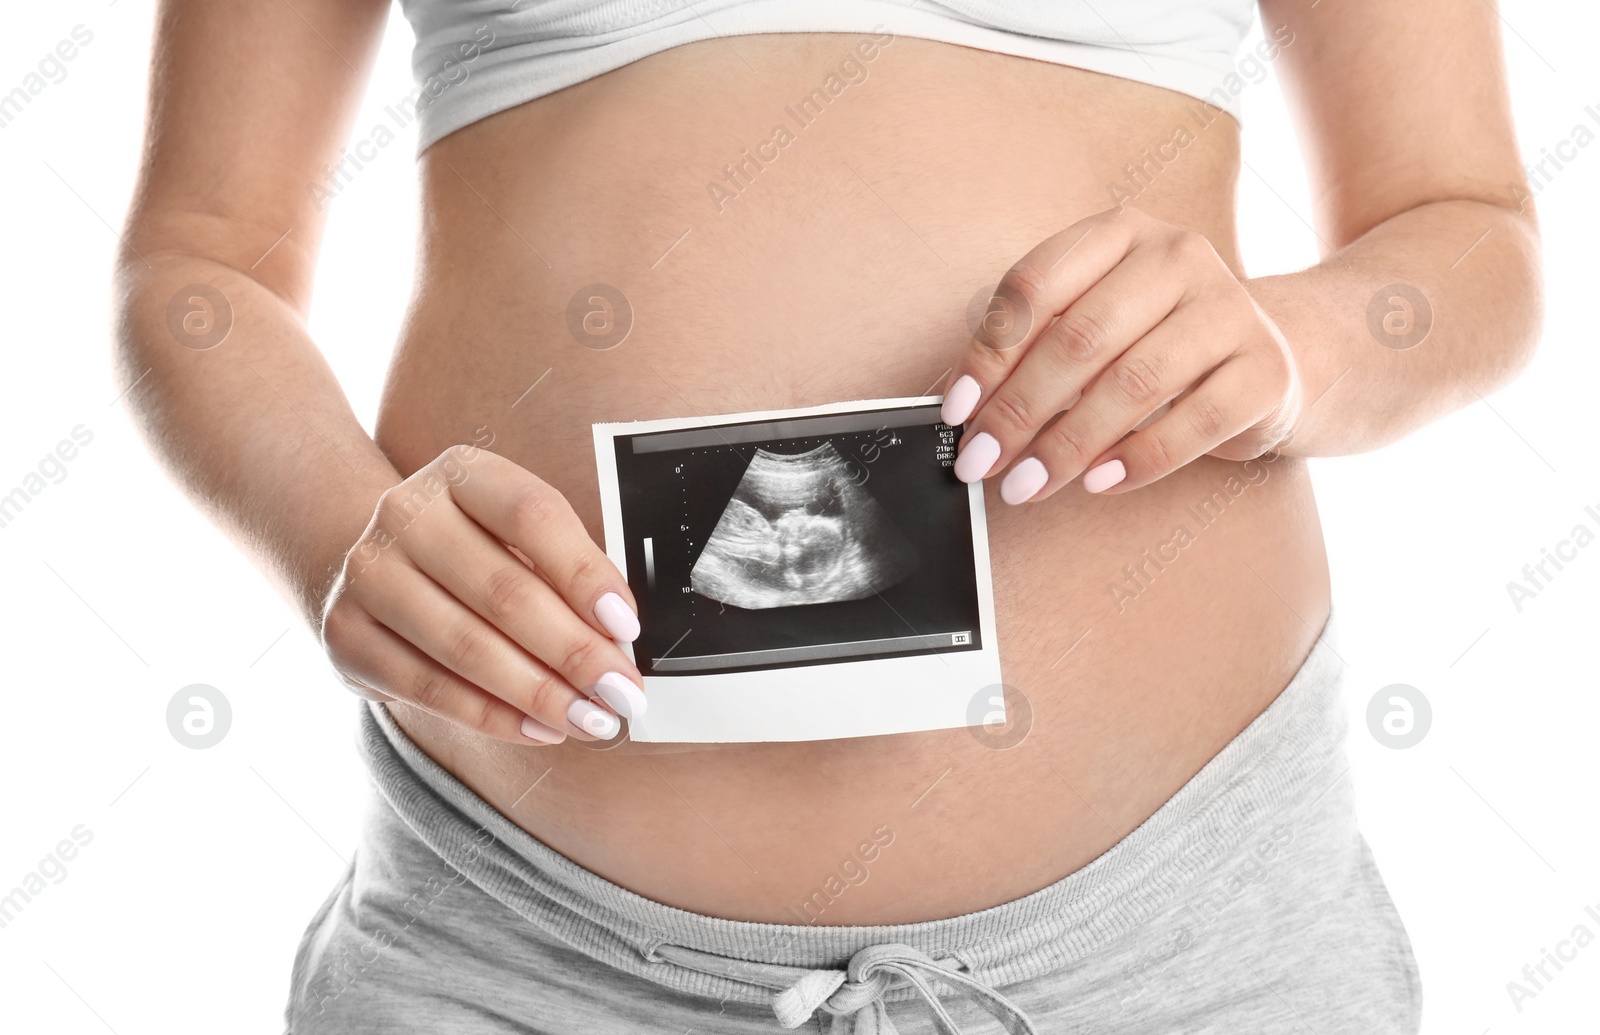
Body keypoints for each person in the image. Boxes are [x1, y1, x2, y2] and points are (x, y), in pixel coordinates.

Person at [115, 0, 1540, 1031]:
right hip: (529, 950)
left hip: (1176, 938)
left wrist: (1291, 344)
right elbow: (201, 261)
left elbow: (1465, 225)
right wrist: (333, 536)